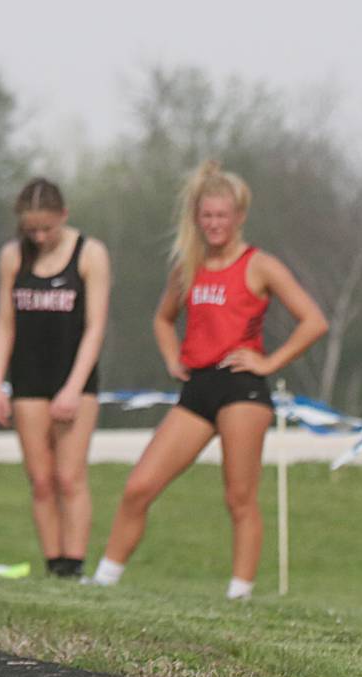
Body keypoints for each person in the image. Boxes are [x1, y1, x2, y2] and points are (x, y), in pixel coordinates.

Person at [87, 161, 328, 598]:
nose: (215, 224)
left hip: (242, 390)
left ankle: (239, 594)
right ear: (197, 218)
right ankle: (102, 580)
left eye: (222, 216)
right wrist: (172, 356)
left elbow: (313, 321)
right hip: (196, 389)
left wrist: (270, 363)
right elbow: (163, 320)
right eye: (207, 216)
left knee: (239, 498)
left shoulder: (260, 265)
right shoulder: (188, 266)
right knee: (140, 486)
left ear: (239, 217)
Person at [0, 178, 112, 578]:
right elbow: (5, 324)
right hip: (28, 379)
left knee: (69, 477)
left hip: (74, 378)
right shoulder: (12, 256)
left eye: (47, 228)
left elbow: (95, 326)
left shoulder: (90, 254)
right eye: (31, 230)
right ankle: (53, 563)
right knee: (41, 481)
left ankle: (74, 565)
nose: (39, 237)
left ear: (64, 216)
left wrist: (73, 387)